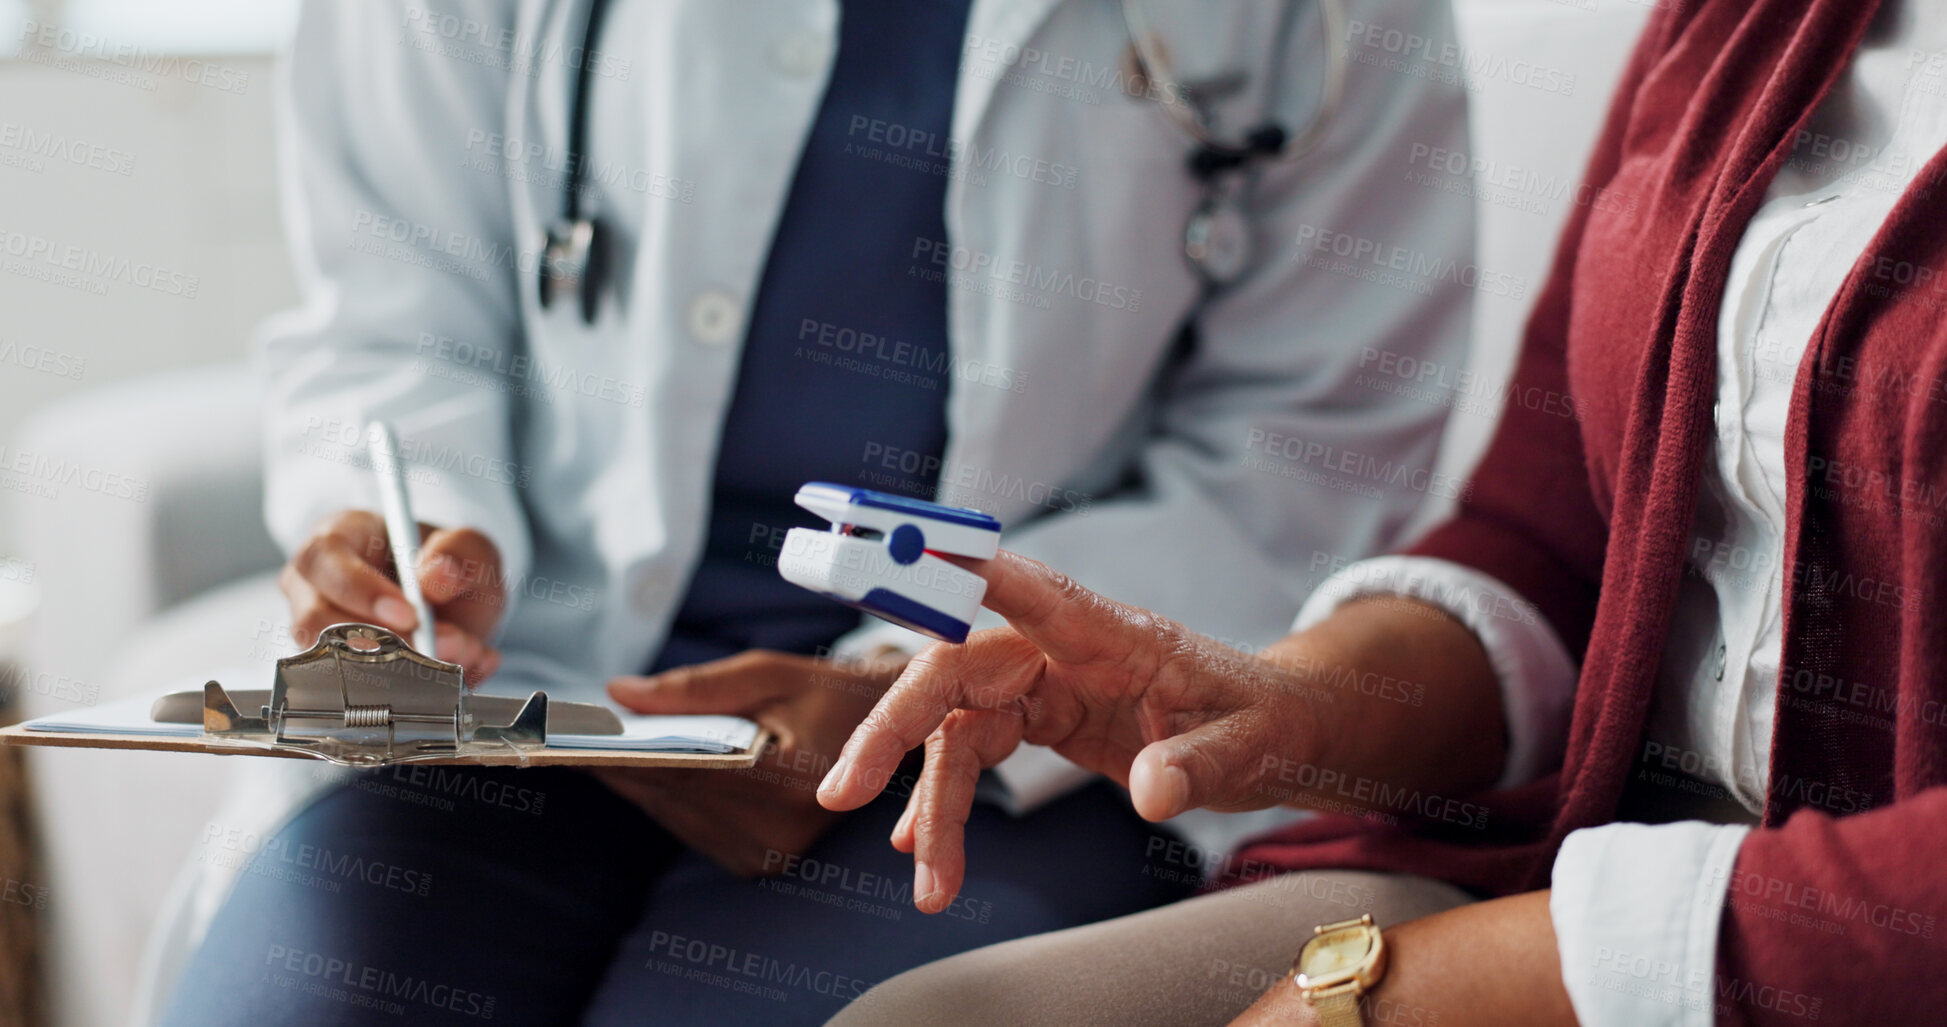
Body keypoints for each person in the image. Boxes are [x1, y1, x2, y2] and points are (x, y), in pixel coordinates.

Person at [154, 1, 1476, 1024]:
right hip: (533, 706)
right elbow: (395, 315)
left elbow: (1308, 454)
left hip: (1000, 750)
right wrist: (410, 519)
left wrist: (908, 678)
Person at [819, 1, 1947, 1024]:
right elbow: (1547, 544)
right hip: (1600, 866)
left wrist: (1459, 983)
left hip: (1795, 944)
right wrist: (1283, 704)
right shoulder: (1742, 28)